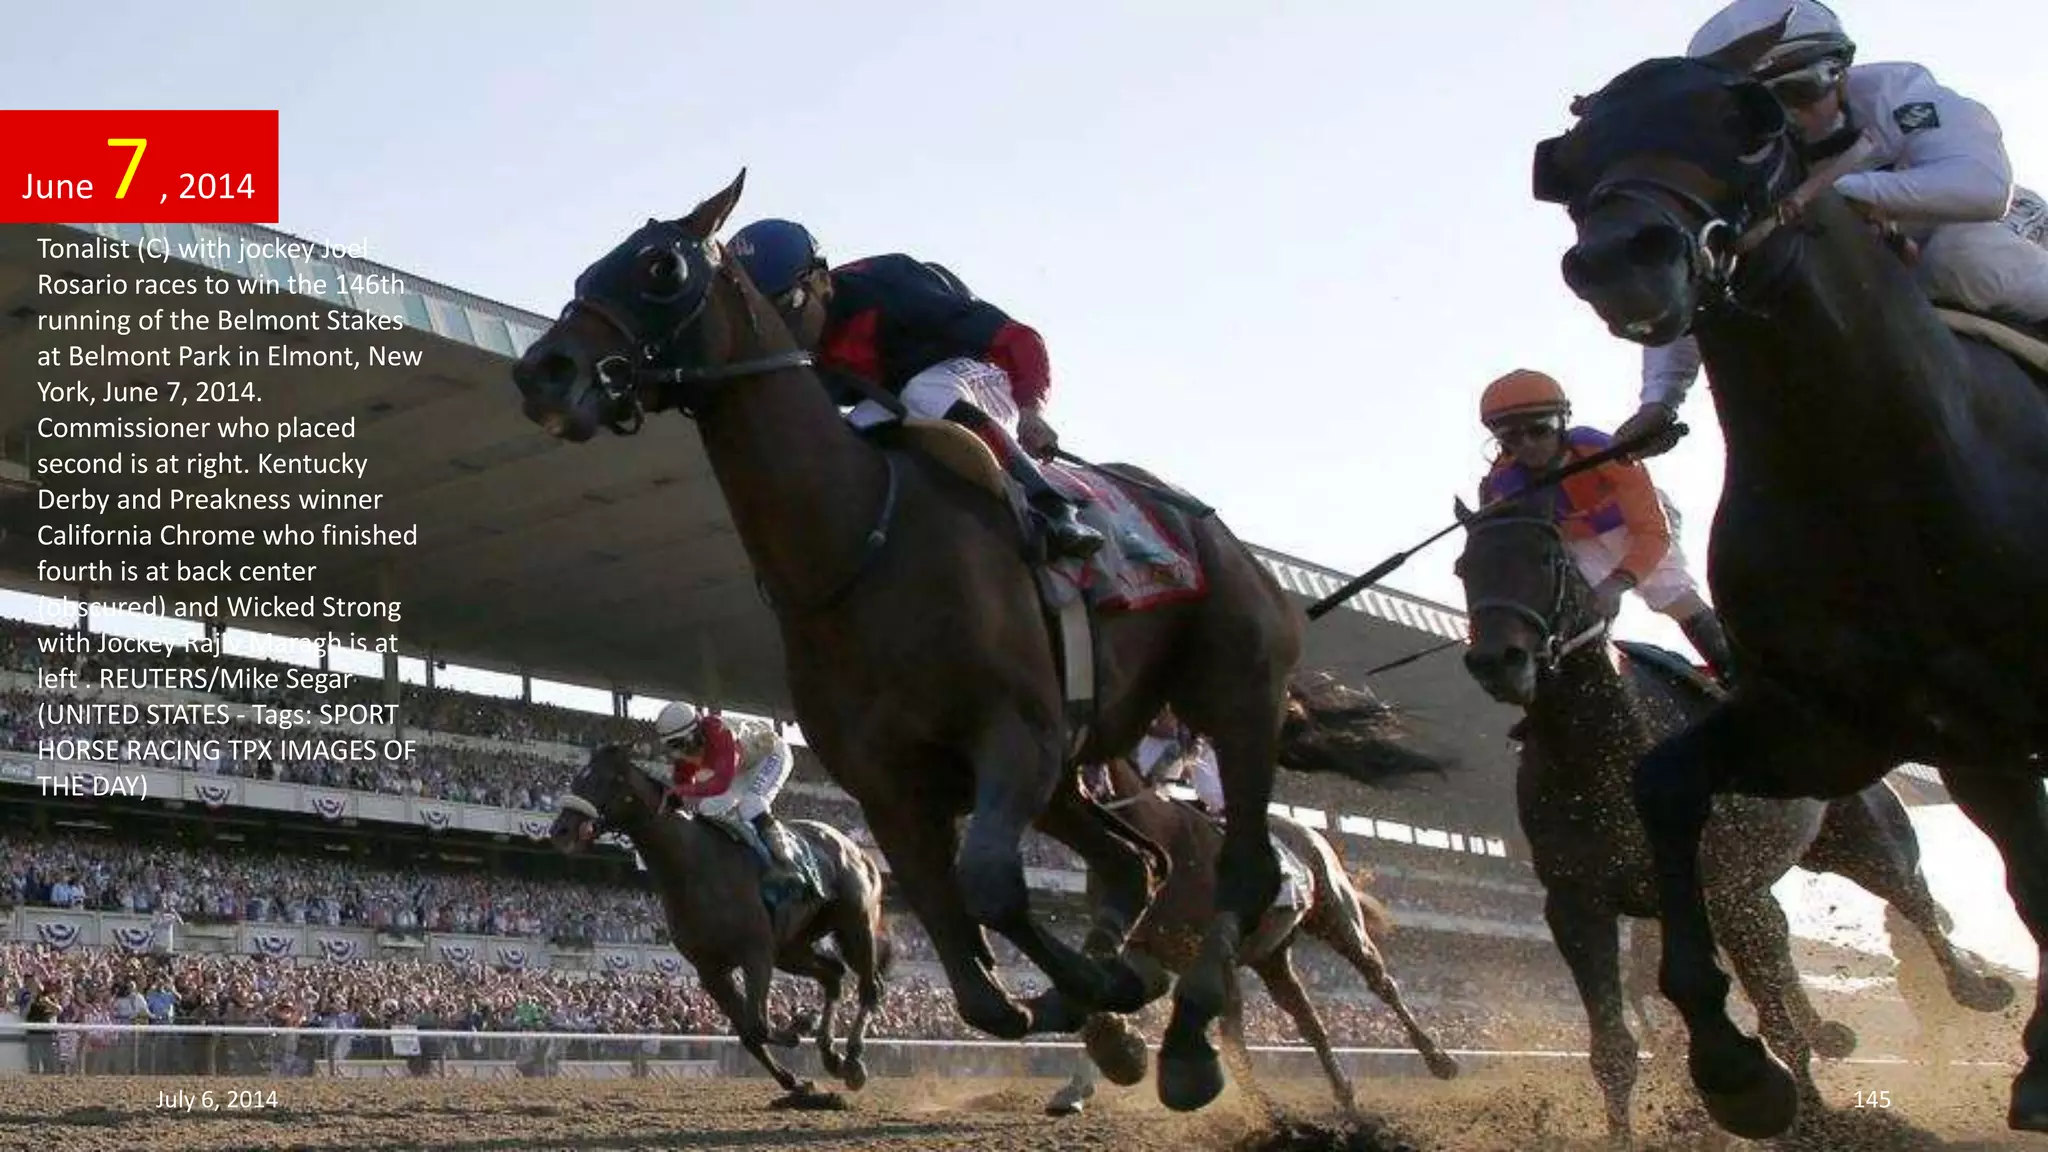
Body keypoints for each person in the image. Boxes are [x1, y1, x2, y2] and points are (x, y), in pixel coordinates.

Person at [1619, 0, 2048, 452]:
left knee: (1962, 260)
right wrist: (1660, 401)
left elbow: (1983, 188)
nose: (1790, 119)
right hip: (1873, 272)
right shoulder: (1738, 164)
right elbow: (1701, 274)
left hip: (1988, 231)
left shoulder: (1897, 93)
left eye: (1801, 89)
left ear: (1840, 75)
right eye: (1762, 111)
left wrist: (1830, 195)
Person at [727, 217, 1104, 560]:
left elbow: (1017, 339)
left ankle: (1053, 508)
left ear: (821, 280)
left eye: (786, 305)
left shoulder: (890, 288)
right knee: (852, 435)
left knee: (924, 392)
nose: (780, 330)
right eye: (762, 317)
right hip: (899, 400)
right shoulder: (788, 351)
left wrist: (1031, 410)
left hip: (980, 375)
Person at [1479, 370, 1736, 680]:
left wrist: (1619, 581)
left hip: (1636, 526)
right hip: (1575, 540)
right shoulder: (1503, 481)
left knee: (1669, 593)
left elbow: (1652, 532)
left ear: (1563, 421)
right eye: (1510, 436)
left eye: (1540, 429)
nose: (1528, 445)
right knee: (1575, 605)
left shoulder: (1600, 448)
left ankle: (1736, 673)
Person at [655, 701, 803, 898]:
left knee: (750, 804)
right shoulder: (686, 751)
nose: (678, 752)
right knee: (707, 807)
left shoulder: (719, 732)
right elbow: (682, 790)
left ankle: (786, 863)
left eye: (680, 743)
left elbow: (721, 784)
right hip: (739, 767)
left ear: (694, 733)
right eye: (672, 746)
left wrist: (682, 791)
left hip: (770, 755)